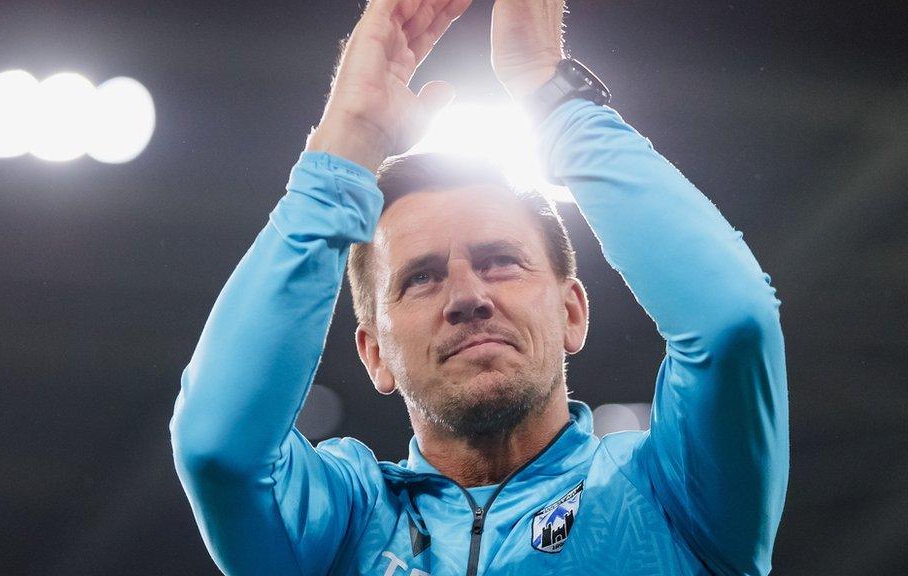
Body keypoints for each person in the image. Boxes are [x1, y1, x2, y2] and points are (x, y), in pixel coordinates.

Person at [169, 0, 790, 574]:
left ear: (573, 312)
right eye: (421, 278)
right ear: (375, 353)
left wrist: (555, 98)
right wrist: (344, 152)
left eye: (499, 261)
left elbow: (730, 321)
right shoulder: (342, 525)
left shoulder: (670, 496)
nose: (468, 296)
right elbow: (219, 449)